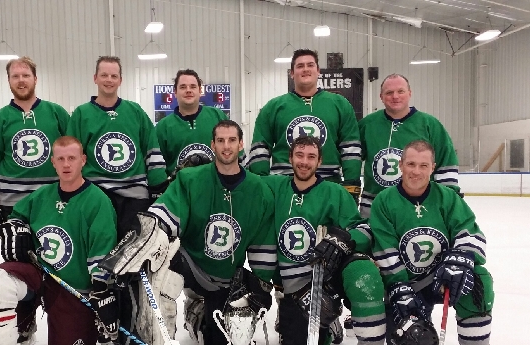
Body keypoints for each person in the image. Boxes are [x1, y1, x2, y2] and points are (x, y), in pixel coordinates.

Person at [100, 120, 276, 345]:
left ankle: (198, 314)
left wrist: (262, 284)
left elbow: (263, 244)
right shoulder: (191, 179)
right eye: (220, 140)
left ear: (241, 144)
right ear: (212, 145)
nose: (226, 146)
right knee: (161, 263)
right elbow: (161, 218)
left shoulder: (260, 191)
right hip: (190, 263)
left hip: (225, 278)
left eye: (232, 140)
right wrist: (140, 244)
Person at [0, 136, 118, 345]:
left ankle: (85, 326)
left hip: (74, 288)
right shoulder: (41, 196)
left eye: (72, 158)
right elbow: (17, 219)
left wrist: (100, 292)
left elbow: (102, 252)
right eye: (60, 158)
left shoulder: (97, 201)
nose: (66, 164)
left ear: (83, 160)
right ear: (53, 162)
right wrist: (15, 229)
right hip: (39, 275)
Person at [369, 140, 496, 345]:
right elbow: (385, 248)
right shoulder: (384, 201)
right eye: (411, 164)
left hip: (443, 280)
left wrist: (461, 256)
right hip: (408, 287)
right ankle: (416, 335)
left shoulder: (447, 198)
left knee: (479, 280)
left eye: (423, 165)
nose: (416, 171)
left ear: (433, 167)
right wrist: (399, 287)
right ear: (401, 165)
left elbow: (470, 232)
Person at [264, 135, 386, 345]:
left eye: (311, 157)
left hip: (325, 277)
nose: (304, 162)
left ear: (319, 161)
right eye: (299, 155)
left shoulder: (334, 192)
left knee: (362, 270)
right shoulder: (274, 187)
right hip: (294, 286)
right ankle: (328, 323)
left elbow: (364, 231)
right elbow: (240, 183)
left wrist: (343, 239)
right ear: (290, 158)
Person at [0, 56, 71, 345]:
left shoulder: (56, 113)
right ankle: (25, 316)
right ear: (9, 81)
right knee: (19, 263)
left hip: (52, 202)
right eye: (15, 76)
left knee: (60, 257)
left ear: (35, 79)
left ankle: (64, 317)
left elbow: (71, 151)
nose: (21, 80)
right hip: (13, 206)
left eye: (25, 75)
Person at [67, 55, 167, 239]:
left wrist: (158, 187)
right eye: (104, 75)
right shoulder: (82, 114)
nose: (109, 80)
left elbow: (151, 149)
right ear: (95, 78)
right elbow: (71, 156)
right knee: (99, 246)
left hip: (134, 196)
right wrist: (72, 190)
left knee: (133, 250)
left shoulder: (135, 111)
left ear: (120, 80)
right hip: (96, 194)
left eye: (114, 76)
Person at [246, 49, 361, 201]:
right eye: (300, 66)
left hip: (328, 186)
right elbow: (260, 148)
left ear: (318, 71)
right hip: (283, 187)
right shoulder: (273, 107)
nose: (305, 69)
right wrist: (262, 183)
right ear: (292, 73)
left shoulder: (340, 104)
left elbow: (350, 148)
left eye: (310, 65)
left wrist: (351, 184)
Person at [358, 73, 460, 219]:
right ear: (381, 97)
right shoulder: (367, 125)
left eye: (400, 91)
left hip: (419, 207)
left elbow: (446, 164)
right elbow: (352, 160)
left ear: (409, 93)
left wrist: (448, 200)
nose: (395, 96)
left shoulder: (430, 125)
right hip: (374, 206)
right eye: (389, 92)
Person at [155, 69, 228, 176]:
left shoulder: (218, 116)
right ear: (175, 92)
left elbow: (234, 151)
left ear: (200, 91)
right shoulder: (163, 127)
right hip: (179, 185)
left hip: (216, 184)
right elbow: (157, 168)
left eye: (193, 86)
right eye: (183, 87)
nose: (188, 90)